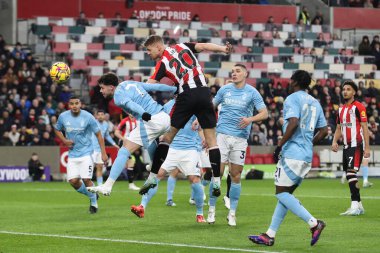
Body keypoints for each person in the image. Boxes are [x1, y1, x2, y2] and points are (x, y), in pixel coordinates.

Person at [138, 35, 232, 199]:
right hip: (204, 92)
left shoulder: (162, 63)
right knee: (212, 141)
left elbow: (149, 85)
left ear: (158, 47)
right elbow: (204, 45)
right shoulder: (182, 46)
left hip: (186, 95)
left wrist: (134, 87)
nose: (148, 53)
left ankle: (153, 177)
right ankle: (216, 180)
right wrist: (223, 49)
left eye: (148, 49)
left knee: (167, 138)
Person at [248, 70, 328, 246]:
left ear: (295, 81)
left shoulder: (292, 98)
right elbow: (324, 131)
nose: (289, 82)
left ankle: (314, 224)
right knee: (286, 195)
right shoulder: (315, 102)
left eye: (291, 79)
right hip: (306, 155)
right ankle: (269, 235)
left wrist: (279, 145)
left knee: (281, 193)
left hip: (292, 153)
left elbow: (293, 123)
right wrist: (308, 143)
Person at [87, 73, 177, 196]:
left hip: (151, 120)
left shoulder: (118, 96)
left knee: (124, 151)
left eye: (102, 88)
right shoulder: (130, 83)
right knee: (149, 142)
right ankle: (153, 168)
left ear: (111, 87)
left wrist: (144, 113)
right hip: (163, 117)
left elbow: (131, 104)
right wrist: (174, 89)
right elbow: (155, 87)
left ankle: (108, 186)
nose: (101, 91)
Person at [207, 64, 268, 226]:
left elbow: (264, 113)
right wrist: (200, 121)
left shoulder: (252, 92)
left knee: (236, 175)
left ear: (245, 74)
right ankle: (211, 210)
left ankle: (232, 213)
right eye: (232, 71)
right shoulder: (224, 90)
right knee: (217, 173)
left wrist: (250, 119)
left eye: (238, 71)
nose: (234, 73)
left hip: (240, 138)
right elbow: (210, 107)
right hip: (222, 136)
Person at [130, 99, 206, 223]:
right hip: (171, 148)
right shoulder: (168, 105)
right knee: (156, 174)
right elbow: (157, 118)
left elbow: (201, 125)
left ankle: (199, 214)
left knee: (194, 179)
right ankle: (142, 206)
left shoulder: (194, 103)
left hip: (190, 150)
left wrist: (204, 138)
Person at [54, 96, 107, 214]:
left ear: (80, 104)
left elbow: (99, 134)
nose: (74, 106)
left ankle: (94, 203)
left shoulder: (88, 117)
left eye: (76, 103)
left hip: (86, 153)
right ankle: (93, 195)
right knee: (73, 181)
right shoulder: (63, 116)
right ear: (69, 105)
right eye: (72, 104)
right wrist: (64, 140)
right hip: (72, 154)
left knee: (86, 179)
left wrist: (103, 153)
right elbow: (57, 129)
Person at [332, 80, 371, 215]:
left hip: (357, 145)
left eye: (348, 89)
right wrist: (334, 141)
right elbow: (338, 128)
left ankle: (354, 205)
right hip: (346, 147)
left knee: (350, 173)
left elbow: (365, 127)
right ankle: (359, 205)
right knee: (350, 175)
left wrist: (367, 148)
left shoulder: (359, 107)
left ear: (354, 92)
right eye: (344, 89)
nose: (345, 91)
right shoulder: (341, 109)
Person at [91, 110, 119, 186]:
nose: (100, 116)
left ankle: (100, 185)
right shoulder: (93, 123)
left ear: (104, 116)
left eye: (102, 114)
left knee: (99, 166)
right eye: (98, 114)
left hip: (100, 149)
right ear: (96, 116)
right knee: (89, 167)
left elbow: (106, 135)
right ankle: (85, 184)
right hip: (91, 149)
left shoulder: (106, 124)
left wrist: (114, 144)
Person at [114, 114, 140, 190]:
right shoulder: (125, 121)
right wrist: (123, 139)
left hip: (132, 143)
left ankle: (110, 182)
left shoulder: (137, 121)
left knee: (126, 163)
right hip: (124, 143)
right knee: (130, 162)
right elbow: (116, 132)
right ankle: (131, 184)